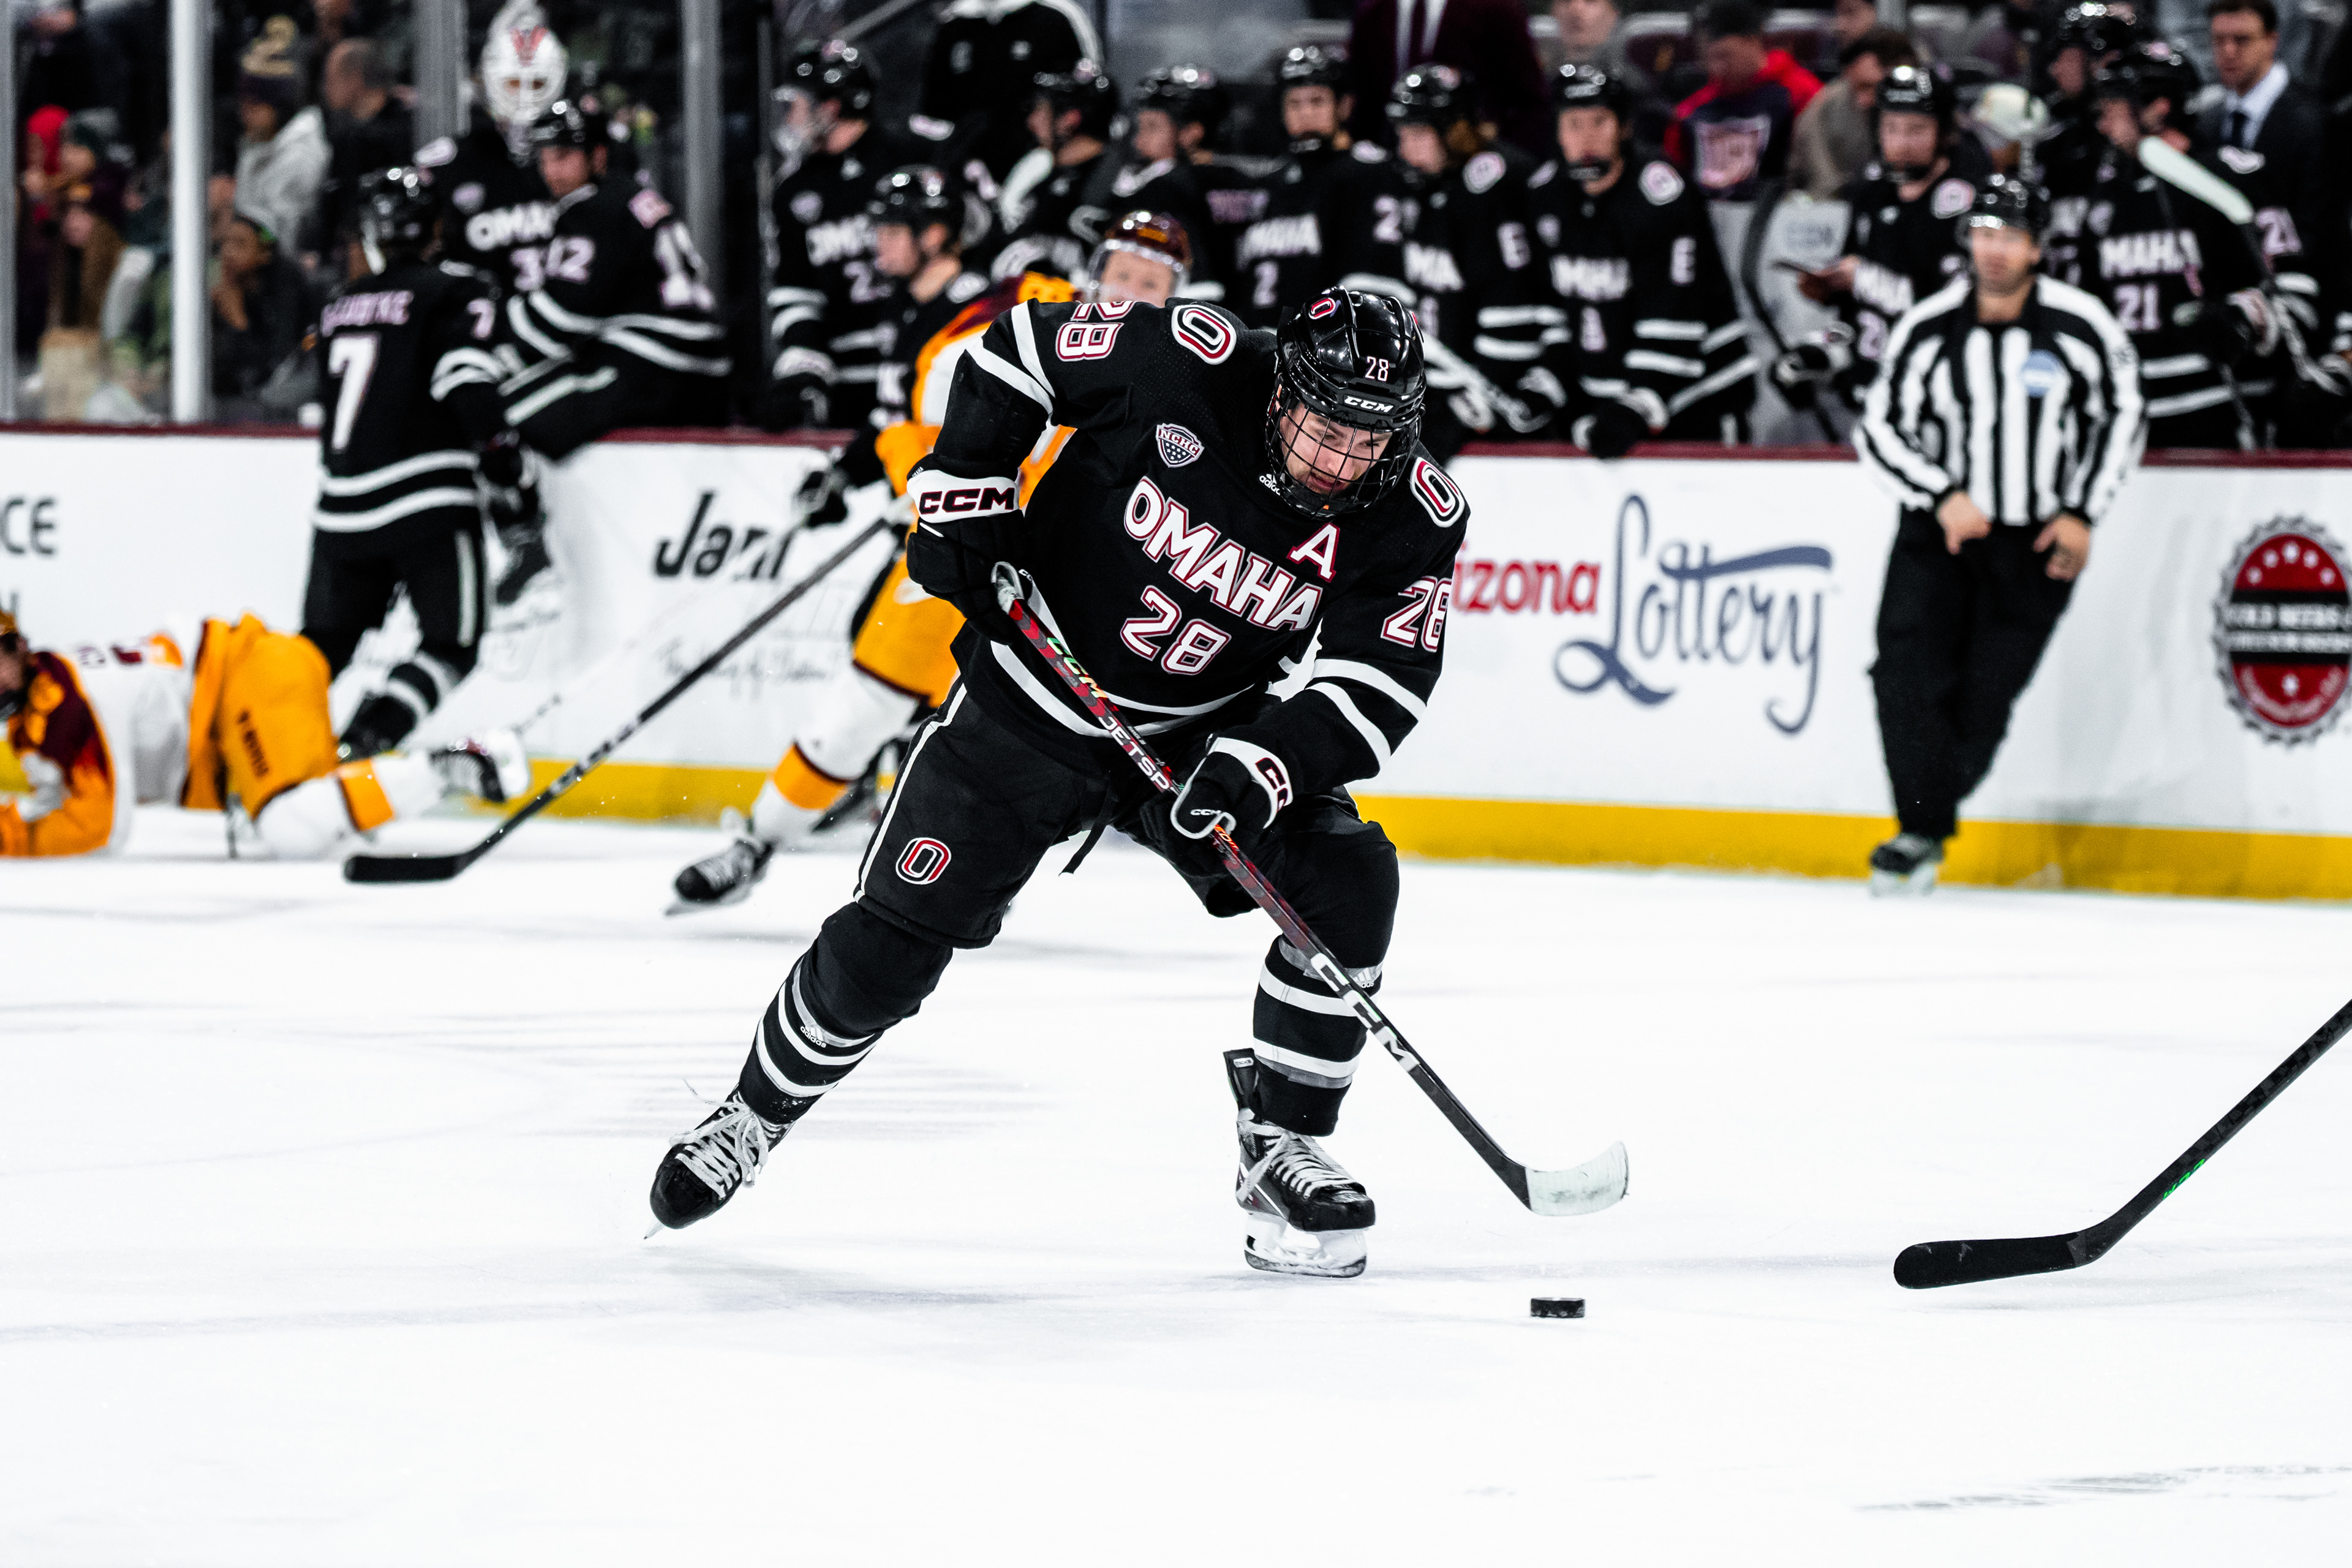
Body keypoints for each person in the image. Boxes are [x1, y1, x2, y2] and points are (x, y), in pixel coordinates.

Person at [646, 285, 1460, 1282]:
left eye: (1368, 438)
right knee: (888, 949)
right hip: (1029, 698)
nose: (1340, 460)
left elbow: (1384, 676)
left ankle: (1281, 1143)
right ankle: (752, 1115)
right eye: (1323, 427)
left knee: (1347, 883)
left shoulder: (1415, 512)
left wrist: (1266, 764)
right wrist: (966, 493)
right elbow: (1018, 348)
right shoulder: (1189, 360)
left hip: (1197, 736)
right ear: (1282, 389)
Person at [671, 205, 1197, 907]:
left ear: (1176, 296)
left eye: (1151, 283)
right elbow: (937, 391)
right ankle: (756, 842)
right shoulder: (1042, 317)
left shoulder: (1187, 378)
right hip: (971, 553)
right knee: (860, 710)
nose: (1130, 292)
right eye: (1121, 273)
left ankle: (976, 883)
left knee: (1013, 748)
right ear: (1095, 271)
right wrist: (921, 474)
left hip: (1064, 589)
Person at [1855, 178, 2143, 892]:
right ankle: (1919, 831)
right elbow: (1880, 426)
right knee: (1903, 674)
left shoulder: (2082, 324)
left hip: (2034, 545)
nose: (1994, 249)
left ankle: (1928, 818)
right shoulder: (1928, 326)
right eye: (1984, 234)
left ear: (2037, 248)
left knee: (1984, 700)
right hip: (1941, 536)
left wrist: (2083, 512)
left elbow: (2123, 416)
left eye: (2010, 236)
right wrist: (1941, 495)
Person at [0, 609, 524, 859]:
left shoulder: (65, 703)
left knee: (285, 825)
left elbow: (102, 827)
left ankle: (446, 765)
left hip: (252, 676)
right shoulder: (36, 718)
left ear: (20, 647)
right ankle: (436, 773)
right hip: (248, 690)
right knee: (305, 834)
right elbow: (63, 804)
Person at [301, 167, 520, 758]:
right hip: (427, 504)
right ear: (436, 227)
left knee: (322, 650)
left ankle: (248, 758)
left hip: (341, 508)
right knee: (452, 645)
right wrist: (506, 465)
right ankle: (363, 745)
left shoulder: (338, 305)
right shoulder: (453, 291)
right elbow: (468, 383)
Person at [1532, 64, 1756, 454]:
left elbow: (1674, 314)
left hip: (1698, 396)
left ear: (1624, 127)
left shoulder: (1659, 196)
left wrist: (1638, 403)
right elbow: (1555, 309)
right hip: (1612, 402)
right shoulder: (1547, 194)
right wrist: (1550, 384)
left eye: (1599, 122)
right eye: (1573, 124)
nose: (1586, 139)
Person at [496, 100, 730, 459]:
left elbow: (562, 318)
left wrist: (493, 333)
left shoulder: (594, 208)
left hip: (654, 367)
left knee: (506, 412)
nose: (551, 171)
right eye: (544, 159)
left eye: (563, 157)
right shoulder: (630, 195)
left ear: (598, 155)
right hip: (701, 366)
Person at [2081, 41, 2286, 447]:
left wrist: (2242, 317)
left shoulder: (2227, 178)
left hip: (2220, 409)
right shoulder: (2106, 198)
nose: (2103, 125)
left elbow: (2292, 287)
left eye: (2113, 109)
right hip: (2134, 413)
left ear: (2158, 108)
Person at [1385, 65, 1558, 454]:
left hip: (1498, 403)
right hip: (1438, 390)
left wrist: (1477, 402)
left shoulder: (1494, 188)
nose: (1405, 150)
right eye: (1402, 135)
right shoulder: (1426, 185)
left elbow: (1514, 306)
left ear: (1456, 131)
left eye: (1418, 135)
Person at [1781, 66, 1978, 408]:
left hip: (1938, 387)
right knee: (1790, 367)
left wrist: (1860, 277)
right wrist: (1828, 294)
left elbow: (1955, 313)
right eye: (1891, 128)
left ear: (1945, 132)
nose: (1902, 143)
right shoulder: (1872, 189)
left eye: (1917, 129)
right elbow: (1857, 315)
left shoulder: (1967, 202)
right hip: (1873, 383)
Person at [761, 40, 929, 433]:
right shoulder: (792, 189)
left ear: (831, 106)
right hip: (843, 378)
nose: (789, 117)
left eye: (797, 104)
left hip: (921, 362)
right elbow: (795, 289)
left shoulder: (910, 163)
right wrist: (805, 365)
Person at [2198, 0, 2332, 424]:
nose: (2228, 52)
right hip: (2238, 317)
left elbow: (2322, 231)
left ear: (2272, 41)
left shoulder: (2313, 122)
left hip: (2302, 310)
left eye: (2241, 40)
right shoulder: (2208, 123)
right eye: (2219, 40)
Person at [1228, 44, 1408, 333]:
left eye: (1317, 101)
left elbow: (1371, 287)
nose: (1305, 114)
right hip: (1261, 346)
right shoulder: (1271, 183)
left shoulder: (1369, 173)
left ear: (1344, 106)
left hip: (1328, 348)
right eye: (1294, 104)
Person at [414, 2, 563, 293]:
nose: (524, 97)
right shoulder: (447, 165)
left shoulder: (581, 157)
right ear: (491, 81)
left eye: (536, 84)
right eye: (513, 83)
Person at [918, 0, 1101, 182]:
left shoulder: (1057, 17)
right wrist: (960, 163)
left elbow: (1097, 106)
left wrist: (1054, 171)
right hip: (969, 177)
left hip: (1047, 173)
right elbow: (934, 118)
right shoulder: (954, 26)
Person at [1082, 66, 1223, 296]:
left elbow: (1198, 282)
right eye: (1140, 126)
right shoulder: (1144, 180)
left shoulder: (1175, 189)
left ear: (1191, 133)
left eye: (1153, 127)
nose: (1139, 140)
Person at [1345, 0, 1553, 155]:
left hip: (1474, 171)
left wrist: (1498, 162)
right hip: (1394, 171)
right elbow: (1364, 107)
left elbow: (1533, 102)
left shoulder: (1496, 8)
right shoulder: (1371, 12)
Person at [1665, 0, 1822, 203]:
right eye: (1707, 59)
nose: (1715, 68)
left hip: (1780, 210)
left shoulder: (1802, 93)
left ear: (1753, 41)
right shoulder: (1692, 110)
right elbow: (1673, 174)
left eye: (1724, 56)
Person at [991, 60, 1119, 283]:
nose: (1031, 122)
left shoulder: (1111, 184)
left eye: (1041, 110)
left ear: (1070, 120)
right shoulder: (1044, 169)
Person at [233, 17, 331, 261]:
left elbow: (283, 240)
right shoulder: (256, 145)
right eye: (243, 103)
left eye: (254, 105)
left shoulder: (302, 155)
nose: (244, 113)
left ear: (278, 108)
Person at [312, 39, 414, 266]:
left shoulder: (404, 131)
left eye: (331, 79)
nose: (325, 88)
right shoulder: (347, 136)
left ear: (355, 79)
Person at [1787, 26, 1917, 200]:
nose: (1862, 100)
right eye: (1857, 87)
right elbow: (1825, 185)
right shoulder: (1827, 105)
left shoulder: (1926, 109)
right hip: (1835, 205)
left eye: (1872, 87)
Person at [208, 209, 315, 421]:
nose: (228, 252)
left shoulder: (287, 287)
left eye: (240, 244)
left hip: (282, 402)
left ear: (265, 252)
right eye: (225, 243)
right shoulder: (220, 293)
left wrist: (237, 319)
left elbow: (277, 363)